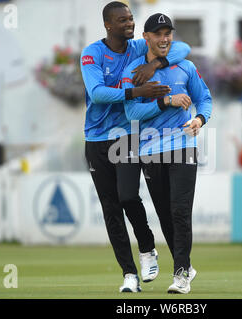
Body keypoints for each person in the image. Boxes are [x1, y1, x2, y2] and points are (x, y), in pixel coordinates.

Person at [79, 2, 191, 293]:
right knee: (110, 208)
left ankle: (146, 247)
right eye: (123, 20)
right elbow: (97, 93)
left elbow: (182, 48)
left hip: (127, 135)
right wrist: (136, 91)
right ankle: (129, 274)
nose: (129, 23)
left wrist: (154, 64)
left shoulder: (138, 48)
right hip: (95, 139)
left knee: (128, 196)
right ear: (108, 25)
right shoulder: (92, 53)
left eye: (130, 19)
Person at [122, 13, 212, 294]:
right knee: (165, 215)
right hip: (150, 149)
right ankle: (185, 265)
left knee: (180, 212)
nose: (164, 39)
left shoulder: (184, 66)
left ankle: (181, 275)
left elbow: (204, 99)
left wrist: (199, 120)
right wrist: (165, 102)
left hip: (183, 146)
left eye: (168, 33)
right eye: (158, 34)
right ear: (145, 37)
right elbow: (132, 112)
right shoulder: (134, 71)